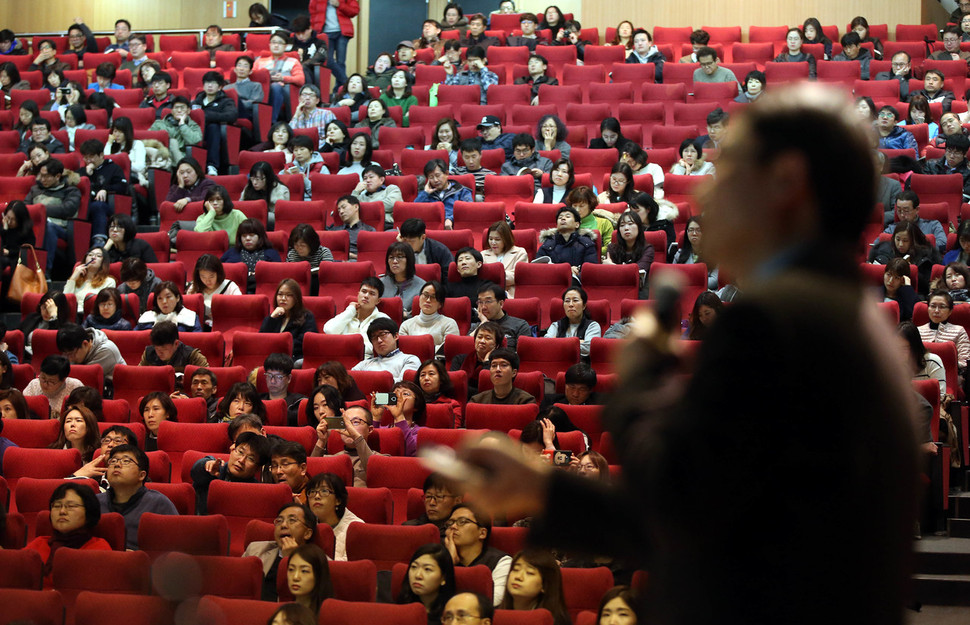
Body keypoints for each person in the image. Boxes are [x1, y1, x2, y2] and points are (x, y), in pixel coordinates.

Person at [448, 83, 920, 625]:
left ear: (787, 181)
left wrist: (642, 377)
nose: (706, 192)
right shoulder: (847, 313)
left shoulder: (774, 321)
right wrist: (541, 490)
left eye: (728, 168)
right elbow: (722, 519)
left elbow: (674, 506)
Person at [24, 483, 112, 586]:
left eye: (70, 506)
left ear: (89, 512)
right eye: (56, 506)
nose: (62, 511)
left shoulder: (99, 548)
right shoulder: (38, 544)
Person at [97, 444, 177, 550]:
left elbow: (175, 546)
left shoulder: (159, 504)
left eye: (126, 461)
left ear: (142, 475)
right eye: (113, 461)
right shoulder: (95, 502)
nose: (117, 465)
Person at [243, 501, 317, 601]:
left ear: (307, 533)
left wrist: (290, 559)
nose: (283, 525)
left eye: (292, 520)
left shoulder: (318, 562)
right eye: (279, 521)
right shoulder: (256, 550)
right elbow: (239, 588)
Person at [442, 504, 512, 606]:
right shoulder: (439, 558)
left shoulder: (501, 562)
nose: (453, 527)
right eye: (450, 522)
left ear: (482, 533)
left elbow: (495, 602)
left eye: (462, 522)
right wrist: (449, 563)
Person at [190, 431, 271, 514]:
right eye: (240, 452)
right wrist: (206, 466)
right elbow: (196, 472)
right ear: (232, 450)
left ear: (258, 469)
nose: (241, 460)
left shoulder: (256, 492)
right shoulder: (216, 470)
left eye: (251, 459)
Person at [28, 159, 81, 273]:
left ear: (57, 176)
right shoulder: (35, 189)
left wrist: (40, 210)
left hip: (61, 229)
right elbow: (25, 207)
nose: (42, 179)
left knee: (49, 227)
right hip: (37, 226)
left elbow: (67, 210)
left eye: (46, 176)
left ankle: (45, 271)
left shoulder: (71, 191)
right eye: (41, 176)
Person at [310, 402, 379, 486]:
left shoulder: (381, 459)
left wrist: (356, 436)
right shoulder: (330, 459)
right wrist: (321, 441)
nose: (348, 427)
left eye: (356, 422)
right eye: (345, 422)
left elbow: (376, 474)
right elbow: (310, 477)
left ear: (370, 429)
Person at [499, 549, 570, 625]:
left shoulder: (555, 622)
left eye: (530, 573)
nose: (518, 577)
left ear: (544, 585)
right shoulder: (494, 616)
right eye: (516, 569)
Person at [869, 221, 940, 296]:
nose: (900, 244)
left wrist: (911, 271)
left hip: (912, 295)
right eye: (898, 239)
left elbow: (926, 286)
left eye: (905, 241)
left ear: (913, 241)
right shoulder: (883, 251)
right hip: (881, 293)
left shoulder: (925, 256)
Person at [323, 277, 390, 356]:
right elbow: (329, 330)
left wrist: (347, 344)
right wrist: (350, 311)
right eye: (364, 291)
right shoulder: (348, 314)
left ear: (378, 301)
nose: (366, 296)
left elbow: (380, 345)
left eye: (372, 293)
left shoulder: (382, 319)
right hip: (339, 357)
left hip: (366, 360)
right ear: (358, 294)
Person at [305, 472, 362, 560]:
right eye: (312, 492)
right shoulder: (305, 523)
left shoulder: (356, 529)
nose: (316, 496)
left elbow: (351, 567)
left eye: (324, 491)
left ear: (338, 500)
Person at [191, 71, 238, 175]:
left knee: (213, 127)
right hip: (196, 130)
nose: (210, 86)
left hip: (215, 132)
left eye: (213, 83)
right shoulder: (197, 101)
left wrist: (206, 116)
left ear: (220, 87)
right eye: (207, 83)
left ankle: (212, 166)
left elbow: (231, 116)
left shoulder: (226, 101)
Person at [397, 544, 457, 625]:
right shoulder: (399, 610)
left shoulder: (452, 617)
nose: (418, 575)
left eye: (427, 569)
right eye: (414, 567)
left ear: (443, 578)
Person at [255, 31, 306, 123]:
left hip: (282, 91)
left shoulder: (293, 61)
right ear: (269, 45)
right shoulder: (259, 61)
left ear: (285, 46)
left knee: (276, 86)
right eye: (274, 42)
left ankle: (271, 121)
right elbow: (253, 77)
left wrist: (283, 78)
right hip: (262, 90)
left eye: (280, 43)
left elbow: (301, 80)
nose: (276, 45)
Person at [260, 280, 317, 364]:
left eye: (288, 295)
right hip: (271, 360)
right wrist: (271, 318)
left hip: (293, 360)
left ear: (296, 298)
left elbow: (305, 343)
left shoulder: (306, 317)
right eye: (280, 294)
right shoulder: (273, 317)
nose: (283, 298)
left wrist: (277, 346)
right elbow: (261, 340)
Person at [56, 323, 125, 390]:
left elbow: (82, 377)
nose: (70, 359)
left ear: (85, 344)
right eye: (66, 354)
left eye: (71, 354)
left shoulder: (107, 351)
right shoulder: (75, 346)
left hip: (113, 391)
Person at [537, 205, 598, 277]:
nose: (563, 218)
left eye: (568, 216)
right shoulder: (548, 244)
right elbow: (538, 269)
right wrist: (565, 271)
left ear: (577, 224)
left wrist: (574, 274)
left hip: (578, 283)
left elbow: (591, 271)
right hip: (553, 282)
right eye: (560, 217)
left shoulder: (586, 243)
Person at [353, 318, 422, 382]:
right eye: (374, 337)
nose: (379, 340)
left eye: (383, 334)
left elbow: (404, 385)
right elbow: (348, 380)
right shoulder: (365, 364)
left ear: (396, 336)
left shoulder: (409, 360)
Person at [605, 210, 654, 297]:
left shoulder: (647, 249)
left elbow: (638, 272)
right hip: (615, 289)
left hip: (638, 290)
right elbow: (609, 277)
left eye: (630, 224)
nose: (626, 228)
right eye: (622, 225)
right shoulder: (612, 248)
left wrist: (613, 267)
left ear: (639, 227)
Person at [186, 254, 242, 328]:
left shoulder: (230, 286)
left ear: (218, 273)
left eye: (211, 276)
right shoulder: (194, 288)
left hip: (225, 326)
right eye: (203, 277)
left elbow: (241, 308)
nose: (207, 281)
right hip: (200, 328)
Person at [919, 290, 970, 372]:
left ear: (950, 311)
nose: (936, 311)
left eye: (942, 307)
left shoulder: (959, 330)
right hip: (922, 373)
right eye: (932, 306)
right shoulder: (917, 330)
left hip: (950, 374)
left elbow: (964, 361)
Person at [469, 284, 532, 350]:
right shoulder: (477, 326)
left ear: (501, 303)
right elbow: (466, 346)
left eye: (488, 301)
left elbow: (522, 355)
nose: (483, 307)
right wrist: (484, 323)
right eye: (480, 302)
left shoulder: (520, 325)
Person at [880, 191, 946, 254]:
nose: (902, 215)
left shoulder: (932, 225)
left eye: (906, 211)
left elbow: (943, 244)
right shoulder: (892, 228)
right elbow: (878, 243)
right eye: (899, 211)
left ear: (917, 210)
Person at [545, 287, 601, 357]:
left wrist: (557, 341)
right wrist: (579, 342)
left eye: (575, 300)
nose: (571, 304)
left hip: (582, 365)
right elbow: (546, 346)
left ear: (584, 306)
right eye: (567, 301)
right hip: (558, 363)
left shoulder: (593, 326)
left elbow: (588, 348)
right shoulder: (556, 325)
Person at [215, 213, 274, 279]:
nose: (247, 238)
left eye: (251, 235)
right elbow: (217, 272)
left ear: (260, 236)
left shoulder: (271, 253)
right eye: (244, 236)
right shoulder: (231, 252)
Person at [451, 321, 502, 396]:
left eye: (488, 338)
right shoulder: (459, 360)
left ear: (496, 345)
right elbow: (452, 386)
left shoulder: (499, 365)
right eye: (479, 337)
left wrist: (487, 362)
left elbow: (491, 390)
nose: (482, 341)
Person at [23, 355, 82, 420]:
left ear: (63, 380)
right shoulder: (33, 385)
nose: (45, 384)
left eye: (51, 381)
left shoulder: (75, 387)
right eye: (43, 378)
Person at [468, 348, 536, 405]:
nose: (497, 369)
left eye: (503, 365)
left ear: (514, 372)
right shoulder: (477, 401)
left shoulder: (525, 401)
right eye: (494, 366)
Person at [899, 321, 947, 399]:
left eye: (904, 348)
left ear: (915, 348)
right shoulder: (891, 365)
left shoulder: (933, 361)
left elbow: (940, 397)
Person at [138, 321, 208, 372]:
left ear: (176, 343)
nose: (159, 353)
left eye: (164, 349)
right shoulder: (148, 353)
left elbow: (208, 377)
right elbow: (139, 374)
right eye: (156, 348)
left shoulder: (192, 356)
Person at [64, 246, 116, 314]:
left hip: (93, 315)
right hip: (73, 315)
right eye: (90, 255)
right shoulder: (76, 280)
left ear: (103, 262)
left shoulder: (109, 282)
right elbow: (65, 300)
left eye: (98, 256)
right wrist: (73, 278)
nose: (93, 257)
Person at [150, 96, 202, 163]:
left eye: (182, 108)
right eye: (176, 108)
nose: (179, 110)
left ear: (188, 111)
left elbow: (194, 141)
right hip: (160, 156)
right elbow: (150, 140)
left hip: (181, 157)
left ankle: (181, 168)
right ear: (171, 111)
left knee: (173, 142)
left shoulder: (193, 126)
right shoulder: (159, 124)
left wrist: (183, 125)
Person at [482, 221, 528, 297]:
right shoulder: (483, 255)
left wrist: (491, 277)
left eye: (497, 239)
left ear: (506, 239)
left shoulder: (520, 253)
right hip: (488, 294)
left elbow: (518, 277)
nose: (493, 242)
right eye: (490, 239)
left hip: (510, 295)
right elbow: (481, 278)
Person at [286, 543, 333, 615]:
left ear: (318, 575)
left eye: (304, 571)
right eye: (291, 569)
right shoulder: (281, 614)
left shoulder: (329, 615)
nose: (295, 577)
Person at [135, 281, 202, 332]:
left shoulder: (190, 317)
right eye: (160, 298)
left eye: (168, 297)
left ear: (177, 298)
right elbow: (134, 339)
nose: (164, 301)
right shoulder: (147, 318)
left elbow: (197, 341)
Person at [415, 358, 463, 427]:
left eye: (431, 374)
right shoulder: (413, 403)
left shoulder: (452, 405)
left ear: (441, 379)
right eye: (422, 375)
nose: (426, 378)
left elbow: (454, 431)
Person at [352, 165, 402, 230]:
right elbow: (351, 209)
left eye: (371, 177)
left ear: (381, 180)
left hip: (387, 226)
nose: (368, 180)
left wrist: (364, 207)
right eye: (365, 178)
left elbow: (391, 204)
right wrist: (356, 191)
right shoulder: (361, 197)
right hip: (364, 227)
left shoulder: (391, 189)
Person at [242, 161, 291, 227]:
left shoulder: (282, 191)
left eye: (258, 179)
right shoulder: (249, 187)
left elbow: (281, 217)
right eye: (252, 178)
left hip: (271, 226)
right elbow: (241, 205)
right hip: (249, 225)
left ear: (267, 178)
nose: (254, 182)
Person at [289, 15, 332, 90]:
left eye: (303, 33)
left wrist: (300, 65)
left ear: (310, 29)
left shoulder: (319, 43)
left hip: (309, 72)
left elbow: (319, 57)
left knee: (303, 67)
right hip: (291, 72)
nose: (301, 36)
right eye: (298, 34)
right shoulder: (290, 42)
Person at [283, 135, 330, 201]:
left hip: (313, 203)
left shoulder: (322, 168)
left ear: (311, 150)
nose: (299, 153)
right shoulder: (289, 167)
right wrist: (286, 178)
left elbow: (323, 193)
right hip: (291, 202)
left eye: (302, 149)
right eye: (295, 150)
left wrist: (304, 179)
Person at [328, 195, 376, 260]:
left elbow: (373, 256)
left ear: (356, 207)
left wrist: (353, 256)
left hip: (357, 263)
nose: (341, 212)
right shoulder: (334, 231)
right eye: (339, 210)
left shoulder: (369, 230)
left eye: (344, 207)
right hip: (335, 261)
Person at [290, 84, 336, 150]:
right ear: (299, 99)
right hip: (300, 151)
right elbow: (289, 136)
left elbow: (334, 135)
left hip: (322, 149)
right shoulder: (297, 117)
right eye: (304, 95)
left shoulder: (326, 114)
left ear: (317, 100)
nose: (307, 98)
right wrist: (296, 116)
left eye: (311, 95)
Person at [225, 56, 264, 122]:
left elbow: (255, 103)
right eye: (239, 65)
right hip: (229, 112)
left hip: (245, 113)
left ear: (250, 71)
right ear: (235, 69)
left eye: (245, 66)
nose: (241, 69)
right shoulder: (227, 87)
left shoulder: (256, 85)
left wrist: (237, 104)